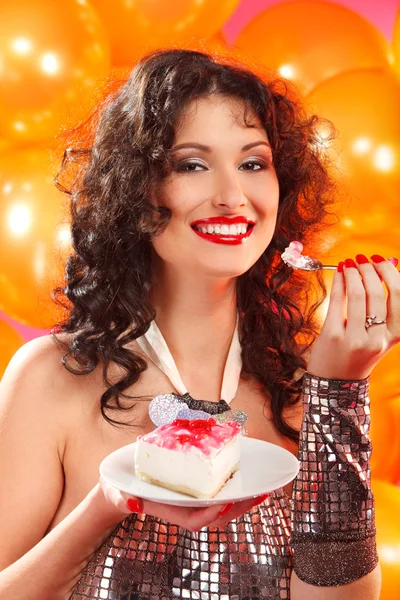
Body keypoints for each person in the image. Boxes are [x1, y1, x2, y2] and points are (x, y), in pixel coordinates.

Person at [0, 48, 396, 600]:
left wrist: (339, 391)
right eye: (192, 164)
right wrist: (110, 504)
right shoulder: (50, 378)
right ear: (137, 193)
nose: (233, 197)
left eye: (253, 163)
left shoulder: (307, 384)